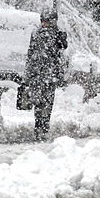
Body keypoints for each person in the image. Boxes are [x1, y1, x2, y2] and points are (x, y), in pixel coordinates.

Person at [24, 9, 68, 140]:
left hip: (49, 74)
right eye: (42, 21)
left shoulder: (58, 34)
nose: (44, 23)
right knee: (38, 102)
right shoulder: (36, 33)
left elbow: (62, 49)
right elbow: (30, 53)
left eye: (47, 21)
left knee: (47, 103)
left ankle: (43, 128)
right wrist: (28, 73)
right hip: (38, 74)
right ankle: (39, 127)